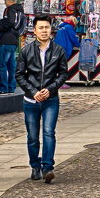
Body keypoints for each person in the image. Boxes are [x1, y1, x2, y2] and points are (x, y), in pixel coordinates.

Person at [16, 14, 69, 183]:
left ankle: (47, 167)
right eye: (41, 28)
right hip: (31, 101)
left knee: (48, 133)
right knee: (32, 136)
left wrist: (50, 89)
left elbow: (63, 74)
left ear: (50, 29)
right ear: (35, 30)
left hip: (50, 100)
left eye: (46, 27)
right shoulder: (26, 50)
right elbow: (19, 75)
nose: (44, 31)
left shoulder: (58, 50)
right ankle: (34, 165)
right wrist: (33, 92)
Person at [0, 0, 26, 94]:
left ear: (10, 1)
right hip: (14, 40)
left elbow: (9, 22)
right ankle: (11, 87)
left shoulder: (10, 9)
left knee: (1, 65)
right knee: (11, 66)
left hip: (6, 40)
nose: (5, 2)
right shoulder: (20, 11)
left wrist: (0, 26)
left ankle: (3, 87)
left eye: (6, 0)